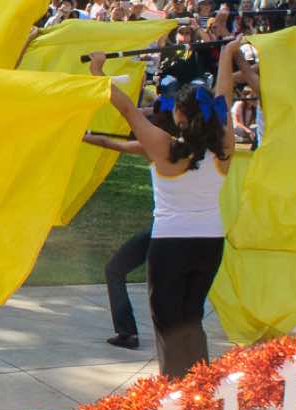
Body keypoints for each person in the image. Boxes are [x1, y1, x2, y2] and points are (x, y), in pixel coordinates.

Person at [85, 40, 241, 378]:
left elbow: (127, 109)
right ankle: (200, 387)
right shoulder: (224, 146)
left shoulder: (162, 145)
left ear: (179, 115)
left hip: (171, 243)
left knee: (167, 319)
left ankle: (175, 388)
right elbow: (224, 97)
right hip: (210, 242)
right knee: (191, 316)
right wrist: (228, 54)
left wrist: (98, 70)